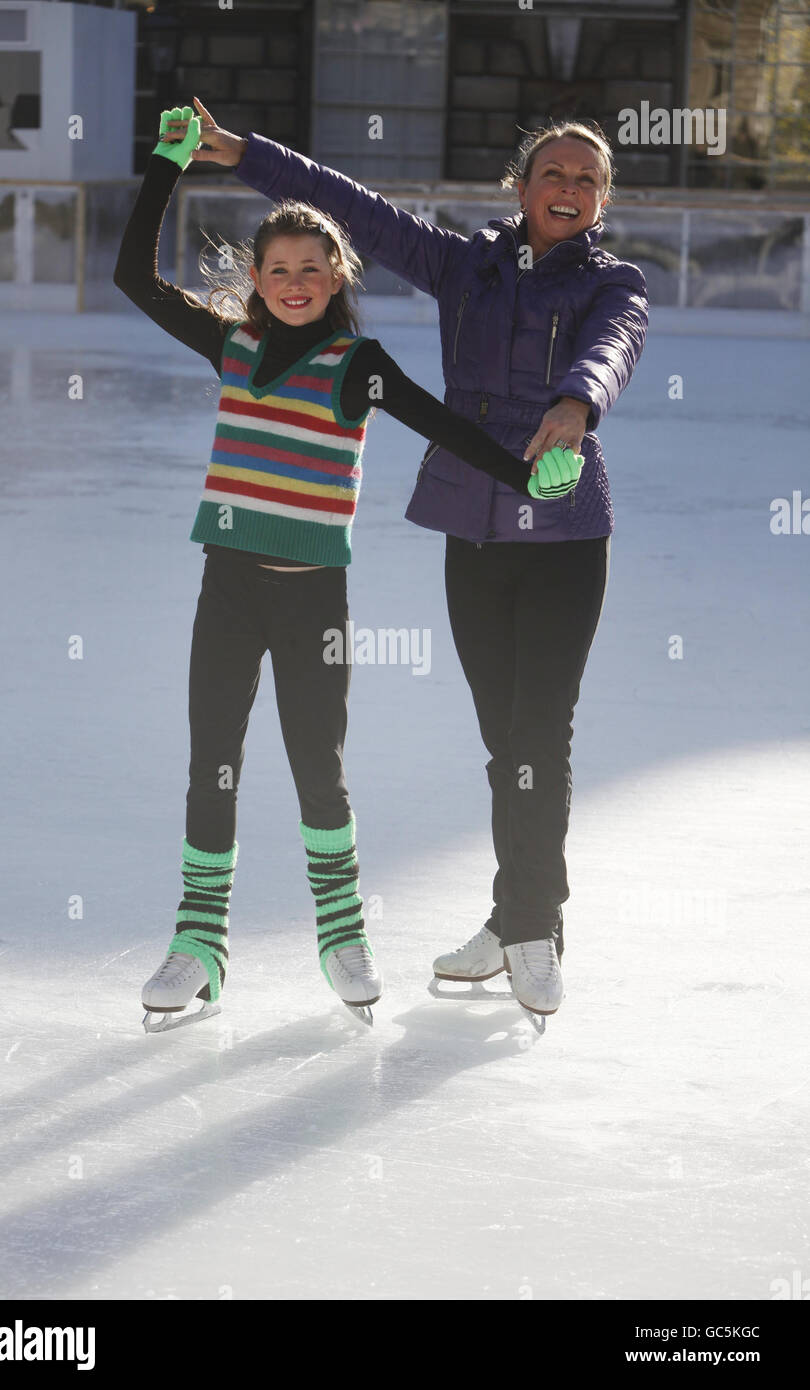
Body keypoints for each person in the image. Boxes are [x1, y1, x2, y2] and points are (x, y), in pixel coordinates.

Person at [113, 108, 582, 1031]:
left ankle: (340, 934)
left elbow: (447, 428)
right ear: (256, 278)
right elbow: (134, 275)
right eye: (277, 270)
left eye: (311, 270)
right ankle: (199, 942)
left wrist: (529, 473)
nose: (294, 283)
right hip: (228, 590)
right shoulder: (230, 343)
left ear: (339, 277)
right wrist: (167, 167)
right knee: (214, 765)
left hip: (312, 602)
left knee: (318, 773)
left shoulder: (357, 366)